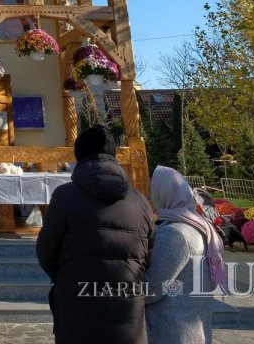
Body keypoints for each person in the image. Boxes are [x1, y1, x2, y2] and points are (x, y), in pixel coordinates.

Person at [36, 125, 155, 344]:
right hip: (127, 305)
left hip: (77, 303)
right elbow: (148, 254)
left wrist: (67, 278)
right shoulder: (139, 201)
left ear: (79, 156)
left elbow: (46, 251)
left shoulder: (64, 197)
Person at [143, 166, 226, 344]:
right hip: (194, 329)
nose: (149, 195)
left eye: (152, 189)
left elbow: (153, 288)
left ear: (164, 193)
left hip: (172, 331)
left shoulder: (176, 234)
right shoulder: (201, 226)